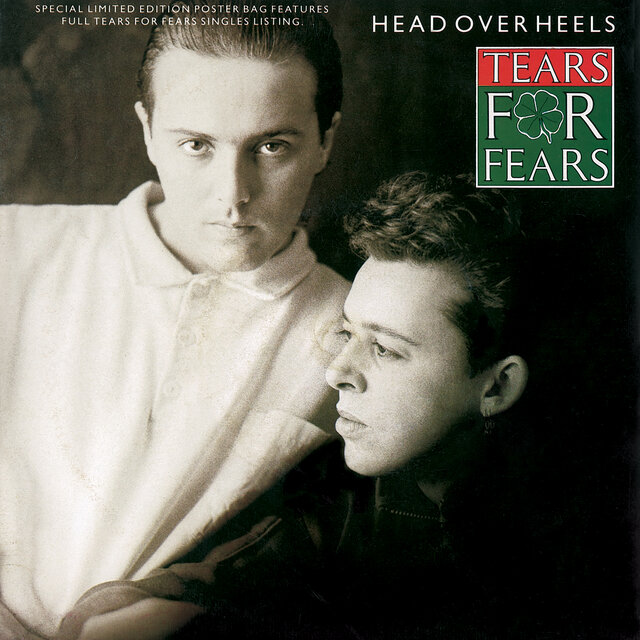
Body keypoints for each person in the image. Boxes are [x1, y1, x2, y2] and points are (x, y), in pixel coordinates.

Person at [58, 172, 573, 640]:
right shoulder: (346, 495)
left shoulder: (582, 535)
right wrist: (148, 609)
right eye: (348, 334)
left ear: (496, 387)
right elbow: (209, 583)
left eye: (386, 349)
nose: (337, 372)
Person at [0, 2, 349, 637]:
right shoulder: (13, 247)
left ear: (325, 140)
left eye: (272, 146)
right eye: (196, 145)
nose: (232, 194)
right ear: (147, 131)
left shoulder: (357, 327)